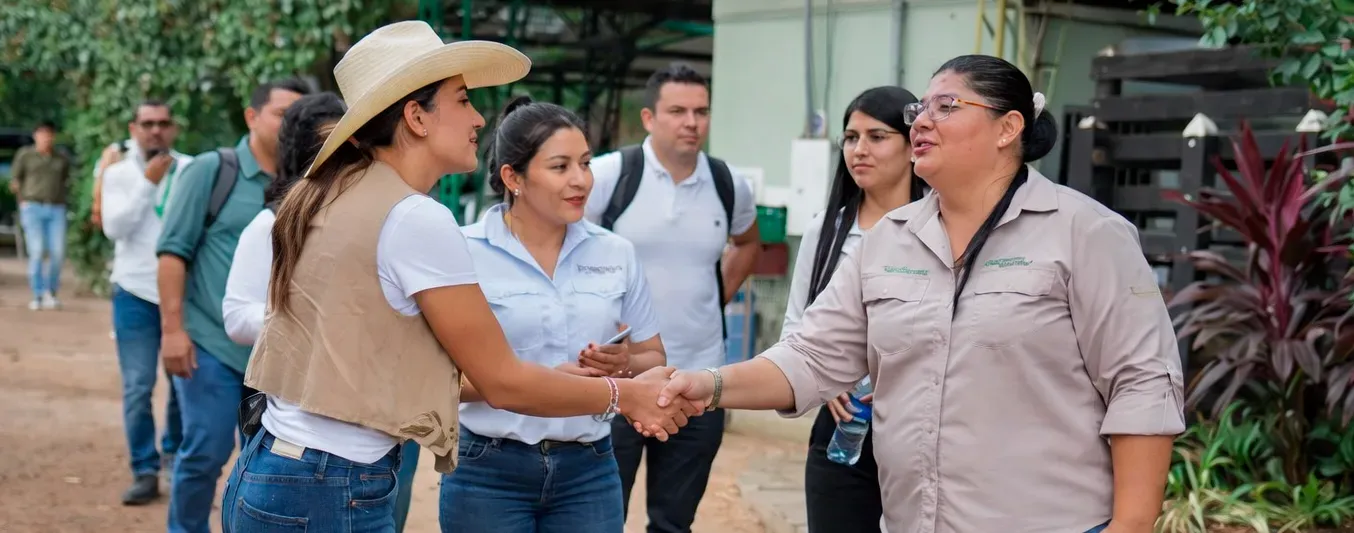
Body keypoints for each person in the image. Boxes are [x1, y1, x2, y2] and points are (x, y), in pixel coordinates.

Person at [654, 54, 1185, 533]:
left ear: (1008, 127)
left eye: (946, 106)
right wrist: (708, 385)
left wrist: (1131, 524)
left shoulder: (1085, 231)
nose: (922, 121)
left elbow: (1141, 382)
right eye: (919, 110)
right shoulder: (888, 239)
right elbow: (813, 356)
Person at [221, 21, 696, 533]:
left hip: (280, 467)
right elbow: (502, 383)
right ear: (416, 117)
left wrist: (555, 379)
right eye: (463, 99)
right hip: (331, 485)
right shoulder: (413, 217)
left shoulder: (337, 188)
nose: (478, 117)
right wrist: (623, 395)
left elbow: (387, 364)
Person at [438, 97, 667, 533]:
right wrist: (537, 381)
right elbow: (437, 382)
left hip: (590, 468)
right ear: (513, 177)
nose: (581, 180)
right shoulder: (462, 252)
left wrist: (625, 364)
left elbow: (654, 357)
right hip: (488, 469)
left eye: (585, 163)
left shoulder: (616, 252)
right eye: (560, 167)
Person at [220, 91, 422, 533]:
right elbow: (236, 316)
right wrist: (318, 323)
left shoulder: (387, 222)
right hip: (299, 423)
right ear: (300, 152)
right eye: (328, 146)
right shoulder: (273, 223)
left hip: (383, 419)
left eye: (354, 146)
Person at [584, 62, 761, 533]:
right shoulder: (608, 176)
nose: (691, 122)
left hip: (699, 378)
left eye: (701, 111)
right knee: (600, 519)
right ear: (649, 118)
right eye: (678, 110)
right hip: (621, 380)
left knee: (674, 523)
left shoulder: (727, 184)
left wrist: (713, 298)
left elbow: (748, 243)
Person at [156, 78, 310, 533]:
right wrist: (172, 330)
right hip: (212, 344)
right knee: (204, 450)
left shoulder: (308, 183)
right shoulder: (211, 171)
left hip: (275, 357)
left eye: (298, 118)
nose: (291, 126)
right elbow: (172, 253)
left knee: (261, 460)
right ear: (251, 116)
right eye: (283, 114)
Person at [781, 86, 926, 533]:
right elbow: (796, 329)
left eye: (877, 136)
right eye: (850, 137)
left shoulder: (941, 228)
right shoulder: (825, 231)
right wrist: (828, 385)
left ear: (912, 146)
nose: (859, 150)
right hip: (843, 429)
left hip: (920, 430)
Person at [100, 99, 192, 505]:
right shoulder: (118, 173)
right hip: (133, 292)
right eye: (147, 123)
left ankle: (172, 458)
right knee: (138, 387)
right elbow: (114, 228)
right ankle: (144, 469)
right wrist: (148, 183)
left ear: (174, 128)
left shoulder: (191, 170)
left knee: (181, 383)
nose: (156, 130)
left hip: (181, 294)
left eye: (163, 123)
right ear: (133, 127)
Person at [10, 120, 73, 311]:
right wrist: (23, 202)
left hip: (56, 208)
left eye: (49, 133)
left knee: (57, 252)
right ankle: (37, 294)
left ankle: (51, 292)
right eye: (42, 133)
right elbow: (15, 181)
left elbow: (65, 180)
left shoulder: (61, 158)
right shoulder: (25, 155)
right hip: (33, 207)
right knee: (36, 251)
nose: (46, 137)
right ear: (35, 135)